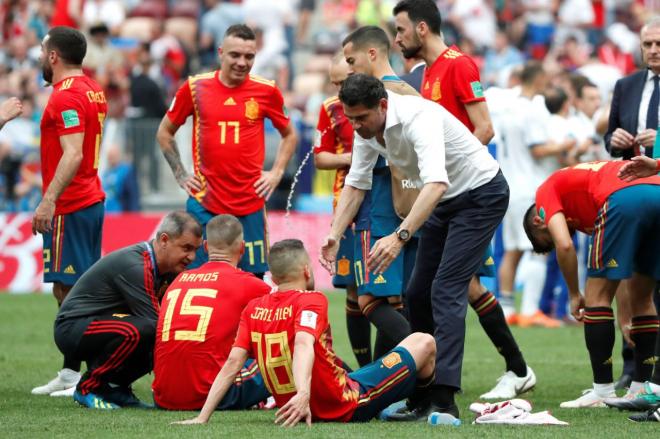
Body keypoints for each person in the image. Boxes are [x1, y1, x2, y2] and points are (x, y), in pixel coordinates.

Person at [321, 74, 509, 420]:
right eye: (350, 119)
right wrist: (334, 232)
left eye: (361, 118)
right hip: (443, 201)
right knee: (417, 292)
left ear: (382, 105)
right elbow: (356, 182)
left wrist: (399, 236)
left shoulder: (417, 117)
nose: (356, 127)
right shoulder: (367, 129)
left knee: (446, 289)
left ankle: (445, 401)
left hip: (481, 194)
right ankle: (422, 396)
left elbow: (436, 183)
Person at [392, 0, 535, 401]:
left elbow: (484, 129)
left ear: (422, 28)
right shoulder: (427, 72)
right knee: (433, 289)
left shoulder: (459, 65)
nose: (397, 37)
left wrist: (444, 175)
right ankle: (514, 368)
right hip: (443, 196)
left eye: (401, 29)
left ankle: (454, 389)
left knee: (452, 288)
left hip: (471, 192)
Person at [175, 239, 436, 425]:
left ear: (273, 279)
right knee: (424, 342)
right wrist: (303, 395)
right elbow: (302, 344)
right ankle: (423, 406)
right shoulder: (311, 300)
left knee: (358, 369)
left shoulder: (253, 308)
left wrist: (203, 416)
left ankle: (414, 404)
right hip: (343, 403)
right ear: (306, 271)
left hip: (304, 401)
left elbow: (233, 362)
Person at [157, 24, 297, 278]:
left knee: (252, 281)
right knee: (198, 277)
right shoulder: (195, 87)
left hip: (250, 202)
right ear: (221, 53)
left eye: (249, 56)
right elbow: (164, 132)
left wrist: (276, 173)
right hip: (205, 202)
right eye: (235, 55)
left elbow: (290, 134)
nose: (242, 62)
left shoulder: (267, 90)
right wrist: (181, 174)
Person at [523, 161, 660, 408]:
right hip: (656, 190)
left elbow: (565, 245)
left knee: (595, 297)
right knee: (644, 297)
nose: (555, 240)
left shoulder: (544, 193)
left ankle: (603, 392)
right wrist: (624, 316)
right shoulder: (582, 207)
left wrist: (575, 295)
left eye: (548, 240)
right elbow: (619, 272)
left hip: (621, 198)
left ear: (538, 222)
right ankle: (641, 389)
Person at [54, 211, 203, 409]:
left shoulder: (168, 269)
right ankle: (87, 388)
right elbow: (158, 326)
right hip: (72, 327)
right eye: (186, 248)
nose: (192, 257)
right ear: (164, 240)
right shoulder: (136, 264)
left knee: (153, 332)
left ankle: (117, 389)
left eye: (196, 250)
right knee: (147, 330)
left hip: (105, 325)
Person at [31, 26, 108, 398]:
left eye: (43, 50)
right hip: (86, 200)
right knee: (69, 289)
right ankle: (69, 370)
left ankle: (88, 375)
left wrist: (48, 200)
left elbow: (73, 153)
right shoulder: (92, 88)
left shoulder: (66, 96)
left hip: (72, 204)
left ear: (53, 56)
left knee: (74, 292)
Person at [152, 214, 272, 410]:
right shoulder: (250, 284)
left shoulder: (178, 281)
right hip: (212, 395)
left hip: (162, 397)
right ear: (242, 248)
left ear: (206, 247)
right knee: (288, 347)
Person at [313, 53, 372, 367]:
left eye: (343, 82)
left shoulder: (380, 101)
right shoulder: (329, 108)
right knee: (353, 290)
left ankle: (392, 365)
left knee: (388, 294)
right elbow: (320, 158)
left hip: (381, 203)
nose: (337, 89)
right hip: (346, 207)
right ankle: (365, 367)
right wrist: (355, 159)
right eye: (333, 83)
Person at [604, 18, 660, 159]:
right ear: (641, 47)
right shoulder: (625, 86)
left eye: (659, 44)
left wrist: (659, 142)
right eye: (647, 44)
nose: (653, 50)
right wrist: (615, 142)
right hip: (634, 176)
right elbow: (610, 136)